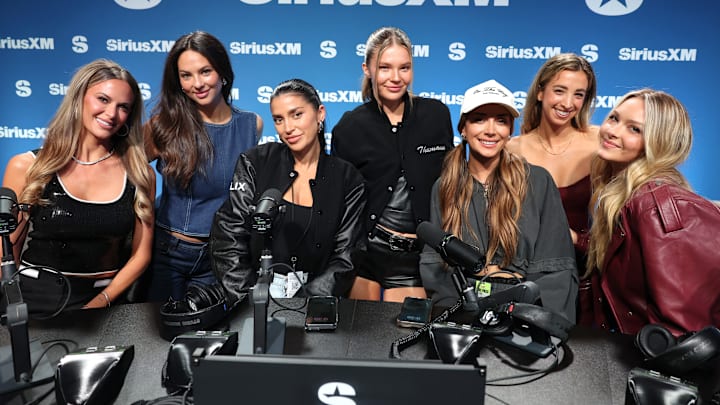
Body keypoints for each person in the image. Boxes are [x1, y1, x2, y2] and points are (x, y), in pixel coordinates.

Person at [1, 59, 155, 313]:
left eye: (123, 107)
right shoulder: (27, 166)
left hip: (105, 302)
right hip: (35, 300)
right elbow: (6, 253)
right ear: (79, 98)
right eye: (103, 99)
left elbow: (141, 255)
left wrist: (101, 302)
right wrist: (13, 307)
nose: (111, 114)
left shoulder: (140, 174)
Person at [420, 79, 578, 322]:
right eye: (479, 119)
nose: (491, 130)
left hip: (522, 307)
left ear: (510, 129)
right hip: (464, 304)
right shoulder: (444, 187)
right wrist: (454, 315)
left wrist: (539, 320)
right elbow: (436, 266)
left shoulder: (537, 182)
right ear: (463, 128)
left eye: (501, 120)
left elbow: (556, 264)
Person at [210, 78, 366, 305]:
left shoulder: (348, 178)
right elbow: (229, 238)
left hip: (315, 307)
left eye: (297, 115)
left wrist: (302, 307)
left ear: (320, 113)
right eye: (278, 119)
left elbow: (346, 256)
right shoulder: (255, 161)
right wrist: (249, 301)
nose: (288, 128)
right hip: (253, 302)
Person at [578, 88, 720, 336]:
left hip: (648, 356)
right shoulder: (625, 194)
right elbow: (628, 258)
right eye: (614, 118)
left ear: (658, 142)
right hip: (623, 348)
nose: (613, 131)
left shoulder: (654, 204)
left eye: (634, 129)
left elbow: (683, 327)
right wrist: (576, 240)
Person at [332, 26, 454, 303]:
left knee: (407, 329)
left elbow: (451, 183)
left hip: (418, 257)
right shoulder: (349, 127)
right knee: (361, 330)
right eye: (385, 67)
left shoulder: (436, 115)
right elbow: (341, 201)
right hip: (366, 256)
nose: (396, 78)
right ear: (367, 69)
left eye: (404, 68)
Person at [144, 31, 263, 302]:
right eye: (186, 75)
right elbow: (123, 173)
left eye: (205, 71)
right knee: (161, 328)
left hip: (221, 257)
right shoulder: (164, 125)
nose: (197, 83)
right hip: (168, 255)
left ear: (222, 72)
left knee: (215, 328)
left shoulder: (251, 125)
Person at [506, 53, 598, 325]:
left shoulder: (600, 143)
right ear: (540, 92)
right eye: (560, 90)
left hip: (585, 274)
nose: (568, 103)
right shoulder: (512, 150)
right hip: (528, 276)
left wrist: (577, 239)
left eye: (578, 94)